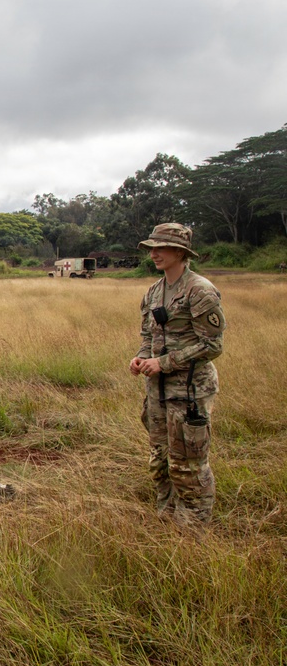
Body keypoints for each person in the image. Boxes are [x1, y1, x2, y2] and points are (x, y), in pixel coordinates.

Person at [129, 223, 225, 526]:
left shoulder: (200, 290)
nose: (154, 254)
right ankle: (168, 522)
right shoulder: (155, 291)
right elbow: (148, 335)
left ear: (180, 252)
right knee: (160, 463)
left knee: (187, 466)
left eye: (161, 248)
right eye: (151, 248)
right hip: (157, 391)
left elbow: (212, 345)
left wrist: (165, 362)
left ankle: (192, 532)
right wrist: (142, 358)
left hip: (189, 393)